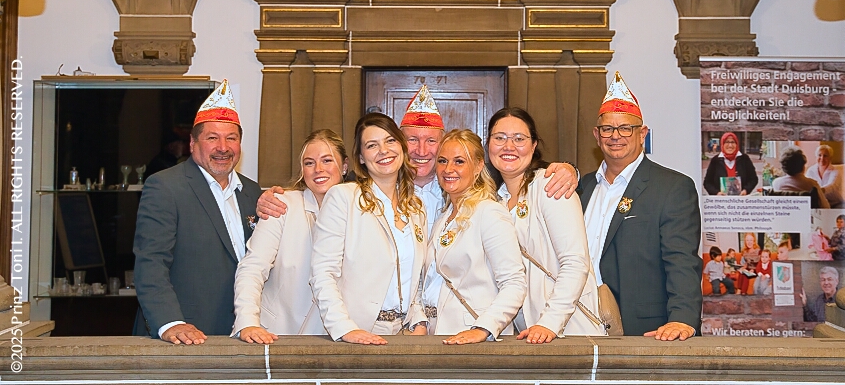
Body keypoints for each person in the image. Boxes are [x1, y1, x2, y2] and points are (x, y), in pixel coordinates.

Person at [255, 84, 578, 229]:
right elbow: (322, 184)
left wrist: (568, 170)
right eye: (412, 140)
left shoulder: (475, 188)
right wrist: (273, 198)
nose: (422, 151)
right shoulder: (367, 188)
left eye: (431, 142)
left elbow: (518, 171)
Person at [133, 80, 262, 344]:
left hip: (242, 334)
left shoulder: (252, 191)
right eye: (212, 138)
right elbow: (151, 263)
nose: (223, 147)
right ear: (192, 143)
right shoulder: (165, 187)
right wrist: (170, 323)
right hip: (182, 336)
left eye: (231, 138)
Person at [577, 72, 702, 340]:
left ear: (642, 134)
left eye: (626, 128)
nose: (615, 136)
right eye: (607, 129)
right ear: (597, 135)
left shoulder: (672, 188)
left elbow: (682, 260)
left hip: (643, 332)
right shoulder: (582, 187)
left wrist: (682, 318)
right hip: (579, 325)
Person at [486, 107, 603, 342]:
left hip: (568, 327)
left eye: (519, 139)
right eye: (500, 138)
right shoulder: (494, 200)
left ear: (534, 145)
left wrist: (549, 322)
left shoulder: (551, 185)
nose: (509, 146)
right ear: (488, 144)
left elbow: (575, 262)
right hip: (526, 332)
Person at [310, 113, 428, 343]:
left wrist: (419, 320)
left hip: (405, 333)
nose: (383, 150)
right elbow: (323, 273)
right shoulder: (344, 197)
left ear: (402, 148)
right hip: (358, 330)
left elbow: (417, 277)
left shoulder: (415, 207)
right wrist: (345, 329)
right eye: (372, 145)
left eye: (390, 141)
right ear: (361, 158)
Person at [231, 129, 348, 343]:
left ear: (345, 166)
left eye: (327, 160)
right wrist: (248, 321)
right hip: (279, 333)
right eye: (309, 163)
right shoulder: (282, 205)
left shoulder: (362, 210)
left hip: (339, 336)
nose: (318, 169)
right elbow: (253, 268)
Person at [429, 129, 526, 343]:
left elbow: (515, 283)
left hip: (475, 337)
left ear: (479, 166)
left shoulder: (489, 212)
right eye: (442, 161)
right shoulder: (442, 218)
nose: (448, 169)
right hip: (439, 334)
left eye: (459, 161)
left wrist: (484, 328)